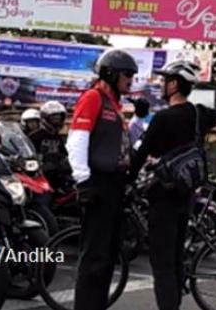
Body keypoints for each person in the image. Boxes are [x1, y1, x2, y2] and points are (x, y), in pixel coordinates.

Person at [130, 59, 216, 310]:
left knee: (162, 264)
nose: (162, 86)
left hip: (162, 196)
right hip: (186, 196)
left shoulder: (163, 118)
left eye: (165, 81)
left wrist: (125, 180)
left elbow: (141, 155)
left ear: (174, 84)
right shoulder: (199, 114)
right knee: (176, 260)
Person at [66, 48, 137, 310]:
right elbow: (77, 140)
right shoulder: (93, 98)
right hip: (97, 183)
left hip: (115, 185)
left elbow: (122, 144)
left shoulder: (115, 104)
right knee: (94, 256)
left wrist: (138, 117)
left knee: (108, 256)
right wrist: (83, 180)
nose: (131, 80)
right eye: (127, 74)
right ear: (110, 73)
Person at [32, 101, 71, 191]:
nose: (57, 122)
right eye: (54, 119)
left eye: (59, 118)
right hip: (41, 175)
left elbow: (64, 153)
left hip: (58, 174)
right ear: (45, 118)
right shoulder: (36, 136)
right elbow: (28, 153)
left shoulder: (58, 137)